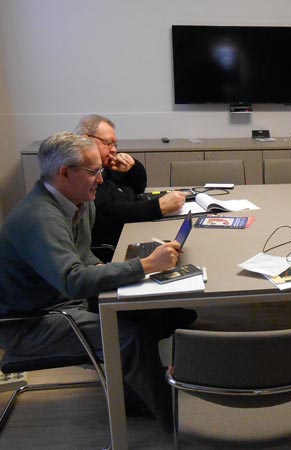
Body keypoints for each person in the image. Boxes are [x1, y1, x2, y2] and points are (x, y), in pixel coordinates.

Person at [0, 132, 196, 432]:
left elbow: (84, 257)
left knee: (148, 312)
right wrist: (144, 265)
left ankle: (137, 393)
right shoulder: (39, 218)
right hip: (28, 323)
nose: (101, 180)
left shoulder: (77, 201)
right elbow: (73, 281)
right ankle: (176, 418)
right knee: (128, 335)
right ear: (65, 173)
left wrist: (113, 271)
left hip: (58, 301)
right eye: (94, 172)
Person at [74, 114, 186, 256]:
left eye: (115, 145)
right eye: (108, 143)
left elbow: (138, 188)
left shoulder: (108, 167)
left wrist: (133, 167)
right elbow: (108, 213)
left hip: (132, 230)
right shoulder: (83, 173)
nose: (114, 150)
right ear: (86, 140)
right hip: (116, 245)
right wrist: (159, 206)